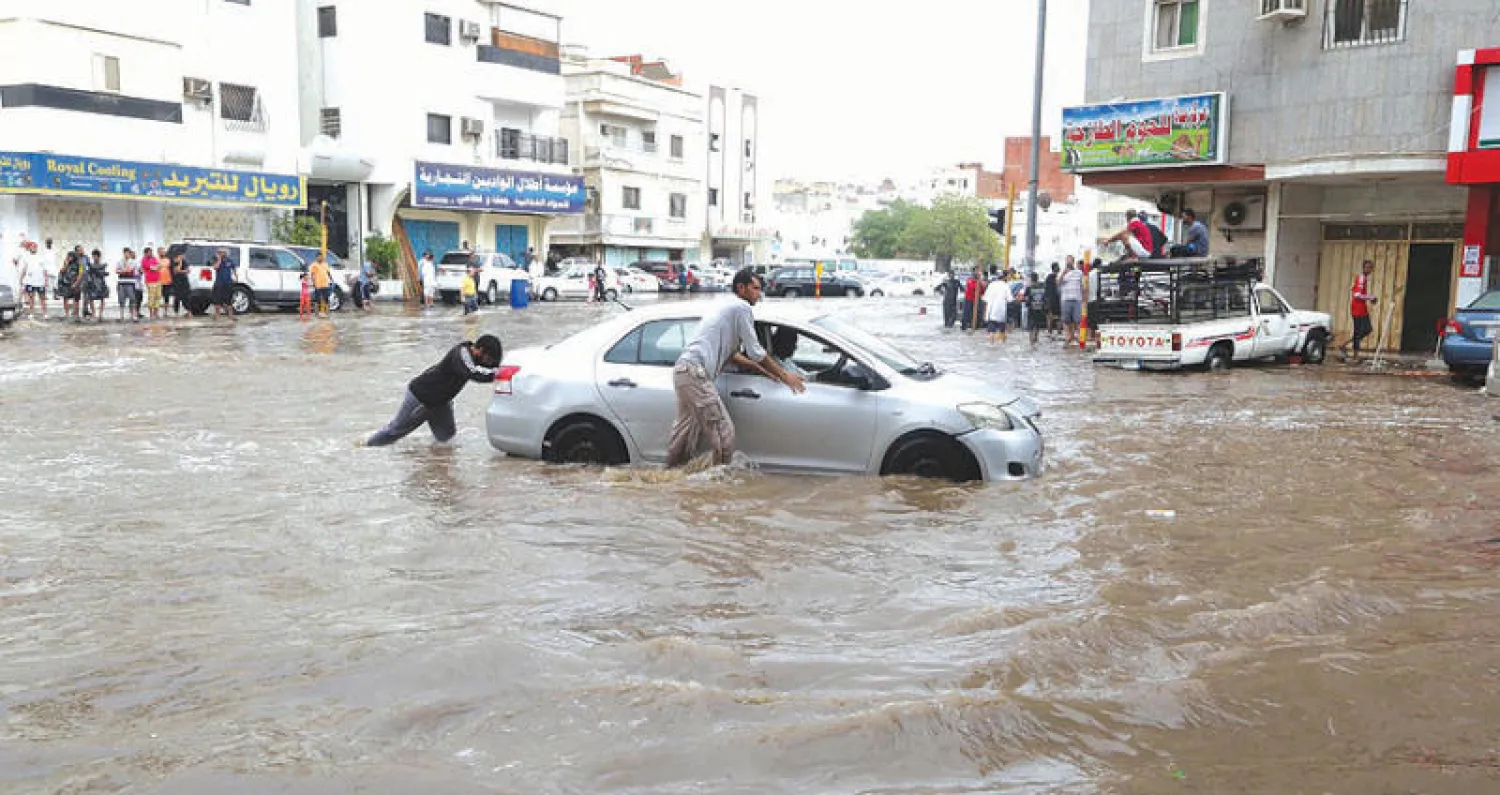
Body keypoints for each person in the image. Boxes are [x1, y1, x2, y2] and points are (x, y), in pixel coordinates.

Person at [666, 270, 805, 468]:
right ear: (741, 288)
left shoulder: (727, 308)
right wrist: (784, 376)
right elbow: (756, 351)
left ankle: (669, 478)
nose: (759, 293)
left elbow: (734, 355)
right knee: (724, 433)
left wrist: (764, 372)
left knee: (684, 434)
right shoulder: (741, 308)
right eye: (755, 288)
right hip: (695, 374)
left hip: (684, 372)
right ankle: (720, 486)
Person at [364, 335, 503, 447]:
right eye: (489, 358)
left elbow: (494, 367)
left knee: (447, 442)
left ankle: (435, 466)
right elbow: (472, 374)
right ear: (480, 350)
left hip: (441, 403)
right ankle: (366, 447)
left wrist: (503, 370)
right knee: (395, 431)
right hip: (421, 398)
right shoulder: (462, 354)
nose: (489, 362)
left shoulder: (476, 357)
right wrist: (495, 376)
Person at [1344, 259, 1379, 360]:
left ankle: (1346, 345)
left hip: (1362, 308)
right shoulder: (1361, 278)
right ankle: (1355, 354)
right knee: (1358, 331)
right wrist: (1371, 297)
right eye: (1367, 267)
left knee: (1367, 329)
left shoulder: (1364, 279)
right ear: (1363, 268)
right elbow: (1357, 294)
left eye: (1370, 268)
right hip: (1357, 308)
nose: (1368, 269)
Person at [18, 240, 49, 319]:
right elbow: (24, 269)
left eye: (35, 247)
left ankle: (44, 313)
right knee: (31, 298)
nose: (34, 248)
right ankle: (31, 313)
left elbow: (45, 270)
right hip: (30, 281)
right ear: (30, 248)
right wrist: (21, 278)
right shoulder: (27, 258)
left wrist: (46, 280)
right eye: (32, 247)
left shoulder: (41, 257)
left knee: (42, 298)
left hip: (40, 281)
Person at [1059, 259, 1084, 346]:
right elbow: (1058, 282)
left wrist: (1084, 299)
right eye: (1067, 260)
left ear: (1073, 262)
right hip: (1066, 299)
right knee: (1066, 320)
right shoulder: (1063, 273)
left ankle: (1078, 338)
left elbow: (1083, 286)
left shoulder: (1079, 272)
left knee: (1077, 320)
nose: (1068, 262)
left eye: (1070, 260)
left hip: (1077, 299)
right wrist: (1063, 273)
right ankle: (1068, 338)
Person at [982, 273, 1010, 343]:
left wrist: (985, 314)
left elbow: (985, 299)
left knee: (991, 331)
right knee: (1002, 331)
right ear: (1004, 278)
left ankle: (991, 345)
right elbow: (1010, 299)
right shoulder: (1005, 285)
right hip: (1001, 312)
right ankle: (1002, 344)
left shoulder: (991, 285)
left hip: (992, 312)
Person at [210, 248, 237, 320]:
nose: (221, 253)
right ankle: (217, 315)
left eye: (222, 252)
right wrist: (219, 260)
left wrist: (236, 278)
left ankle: (231, 316)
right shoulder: (216, 260)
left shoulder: (230, 260)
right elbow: (215, 267)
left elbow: (234, 269)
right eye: (219, 252)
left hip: (228, 283)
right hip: (219, 283)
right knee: (217, 300)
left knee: (229, 300)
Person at [115, 247, 140, 321]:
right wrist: (124, 271)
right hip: (121, 282)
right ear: (123, 253)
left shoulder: (133, 262)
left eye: (128, 253)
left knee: (133, 299)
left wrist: (123, 271)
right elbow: (116, 271)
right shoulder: (119, 261)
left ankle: (134, 316)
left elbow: (130, 270)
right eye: (125, 253)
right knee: (121, 300)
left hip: (130, 282)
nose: (126, 254)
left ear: (130, 253)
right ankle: (121, 316)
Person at [1024, 272, 1048, 345]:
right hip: (1040, 308)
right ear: (1037, 278)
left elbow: (1025, 297)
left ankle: (1031, 342)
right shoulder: (1042, 287)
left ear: (1031, 279)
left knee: (1031, 326)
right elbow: (1045, 297)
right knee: (1037, 324)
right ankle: (1036, 338)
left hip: (1031, 308)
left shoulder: (1029, 287)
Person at [308, 253, 333, 317]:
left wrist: (331, 280)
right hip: (318, 284)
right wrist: (313, 283)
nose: (320, 258)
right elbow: (312, 275)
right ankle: (317, 314)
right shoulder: (314, 265)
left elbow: (328, 273)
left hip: (325, 284)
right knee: (317, 300)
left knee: (326, 299)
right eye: (319, 257)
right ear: (316, 257)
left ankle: (328, 313)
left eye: (321, 257)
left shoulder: (325, 264)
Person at [169, 252, 191, 316]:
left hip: (184, 282)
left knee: (186, 298)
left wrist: (182, 270)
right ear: (176, 256)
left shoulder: (184, 261)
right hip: (176, 283)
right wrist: (180, 263)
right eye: (180, 256)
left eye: (182, 256)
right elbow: (176, 271)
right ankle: (176, 313)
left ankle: (189, 311)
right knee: (177, 298)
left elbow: (188, 271)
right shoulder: (173, 262)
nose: (182, 257)